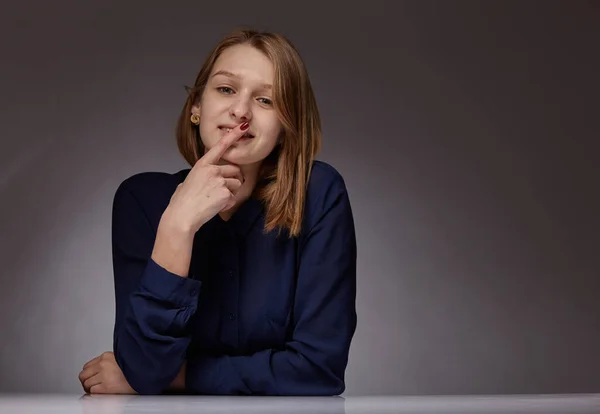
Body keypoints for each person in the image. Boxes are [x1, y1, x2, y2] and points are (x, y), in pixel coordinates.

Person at [78, 27, 357, 396]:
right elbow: (145, 364)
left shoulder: (318, 193)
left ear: (286, 126)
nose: (240, 110)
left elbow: (319, 370)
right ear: (196, 107)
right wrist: (177, 226)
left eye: (265, 101)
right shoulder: (140, 199)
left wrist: (178, 377)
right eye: (225, 89)